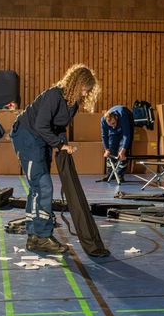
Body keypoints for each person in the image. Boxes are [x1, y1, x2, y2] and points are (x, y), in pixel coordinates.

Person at [10, 64, 100, 253]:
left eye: (88, 91)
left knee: (37, 187)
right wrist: (59, 145)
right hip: (27, 135)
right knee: (43, 185)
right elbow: (42, 125)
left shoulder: (73, 103)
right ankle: (42, 236)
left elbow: (59, 128)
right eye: (84, 89)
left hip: (41, 139)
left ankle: (34, 236)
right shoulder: (54, 95)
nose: (85, 94)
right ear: (76, 83)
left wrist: (63, 146)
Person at [101, 105, 135, 181]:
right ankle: (111, 173)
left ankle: (120, 174)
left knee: (124, 150)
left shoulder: (123, 116)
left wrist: (123, 150)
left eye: (113, 123)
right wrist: (106, 149)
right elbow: (104, 136)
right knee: (111, 147)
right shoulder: (103, 121)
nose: (113, 126)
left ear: (116, 118)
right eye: (110, 125)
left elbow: (126, 135)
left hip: (127, 119)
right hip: (115, 128)